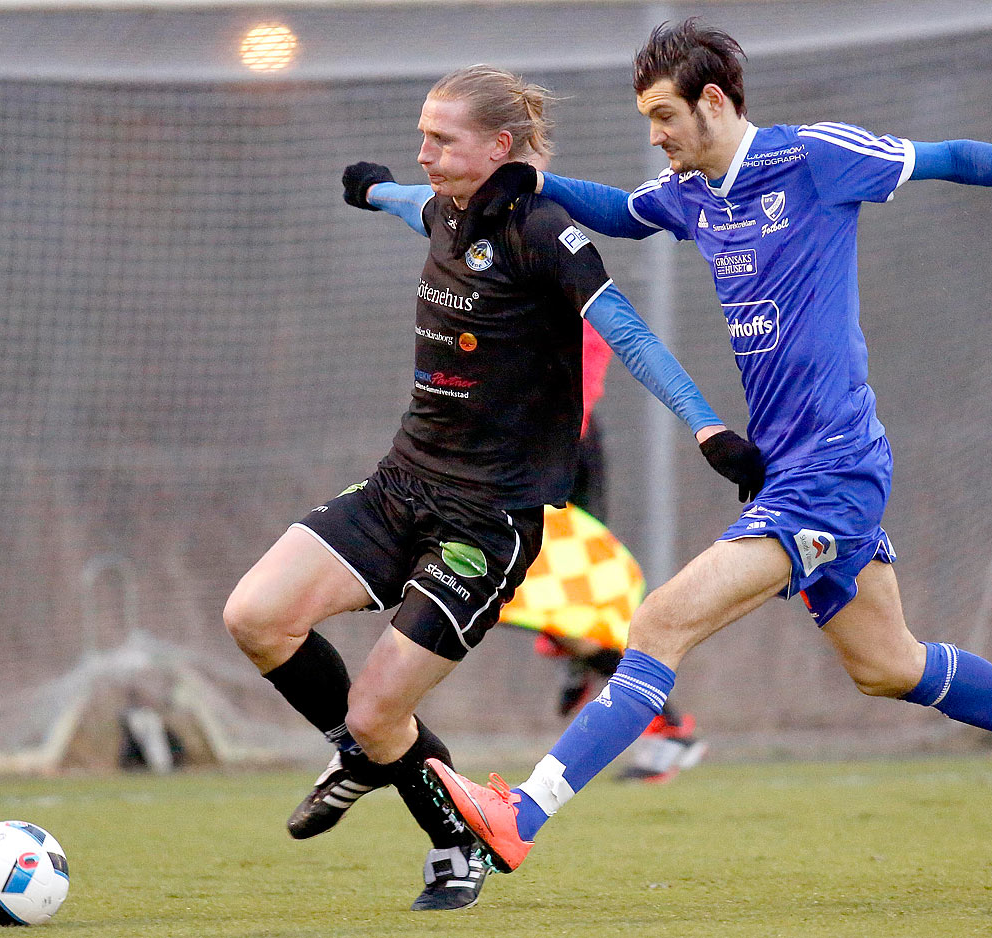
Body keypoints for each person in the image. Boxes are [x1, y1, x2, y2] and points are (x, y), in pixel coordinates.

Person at [427, 19, 992, 881]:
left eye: (664, 115)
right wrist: (531, 181)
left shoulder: (814, 158)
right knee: (889, 665)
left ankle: (521, 812)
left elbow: (946, 154)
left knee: (658, 622)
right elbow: (622, 212)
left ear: (716, 101)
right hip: (795, 469)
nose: (655, 136)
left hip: (831, 470)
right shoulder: (689, 192)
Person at [221, 63, 763, 912]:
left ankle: (451, 835)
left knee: (374, 713)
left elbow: (625, 330)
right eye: (421, 137)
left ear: (499, 148)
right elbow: (414, 205)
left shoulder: (543, 231)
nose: (424, 152)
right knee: (255, 617)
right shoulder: (441, 206)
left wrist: (707, 427)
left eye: (441, 139)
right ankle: (365, 752)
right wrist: (375, 191)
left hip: (488, 520)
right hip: (401, 484)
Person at [368, 152, 709, 783]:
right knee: (546, 605)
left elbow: (595, 361)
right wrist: (378, 190)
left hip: (554, 456)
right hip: (519, 453)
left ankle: (667, 725)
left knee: (563, 605)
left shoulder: (552, 252)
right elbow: (422, 210)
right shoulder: (477, 244)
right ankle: (601, 684)